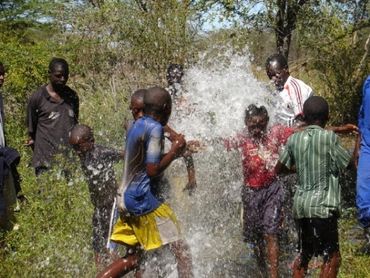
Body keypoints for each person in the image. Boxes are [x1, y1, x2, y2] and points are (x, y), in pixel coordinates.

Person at [98, 87, 193, 278]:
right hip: (142, 200)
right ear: (166, 107)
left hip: (124, 200)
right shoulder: (155, 129)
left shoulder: (136, 124)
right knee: (182, 252)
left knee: (134, 259)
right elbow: (153, 170)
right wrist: (175, 150)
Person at [275, 96, 354, 277]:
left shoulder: (294, 140)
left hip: (301, 208)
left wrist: (301, 168)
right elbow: (348, 165)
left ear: (303, 117)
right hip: (323, 207)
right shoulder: (329, 138)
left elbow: (279, 169)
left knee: (304, 255)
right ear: (327, 117)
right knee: (332, 256)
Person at [224, 104, 294, 278]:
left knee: (271, 232)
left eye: (261, 124)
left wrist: (335, 128)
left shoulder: (276, 133)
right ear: (246, 123)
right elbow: (219, 143)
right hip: (250, 192)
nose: (257, 129)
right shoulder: (241, 137)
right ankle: (263, 271)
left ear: (267, 122)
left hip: (272, 189)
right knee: (254, 236)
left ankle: (273, 275)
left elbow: (301, 132)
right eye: (252, 125)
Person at [69, 124, 124, 268]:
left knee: (109, 247)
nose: (76, 152)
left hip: (112, 205)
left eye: (78, 147)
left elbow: (126, 155)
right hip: (99, 208)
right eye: (73, 148)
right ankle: (99, 272)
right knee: (98, 248)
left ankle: (128, 270)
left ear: (91, 142)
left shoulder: (102, 152)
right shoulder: (83, 154)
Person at [26, 58, 79, 176]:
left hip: (67, 161)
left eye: (66, 76)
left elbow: (75, 124)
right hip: (45, 161)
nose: (63, 79)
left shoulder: (72, 96)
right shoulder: (37, 98)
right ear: (49, 74)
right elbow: (32, 130)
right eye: (58, 76)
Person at [265, 53, 313, 127]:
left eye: (276, 74)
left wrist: (280, 129)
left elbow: (301, 122)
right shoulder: (278, 89)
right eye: (270, 76)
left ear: (286, 69)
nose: (273, 79)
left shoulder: (296, 87)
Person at [355, 75, 370, 254]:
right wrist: (357, 148)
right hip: (367, 146)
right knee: (363, 195)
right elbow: (362, 116)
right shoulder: (367, 82)